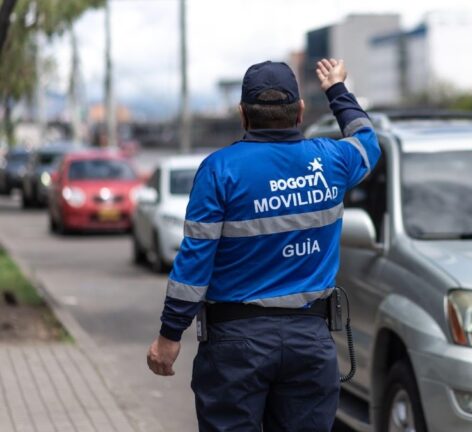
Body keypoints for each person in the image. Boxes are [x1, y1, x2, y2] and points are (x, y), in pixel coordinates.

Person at [146, 58, 380, 431]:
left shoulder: (219, 169)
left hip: (235, 348)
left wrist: (169, 335)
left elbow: (194, 263)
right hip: (310, 344)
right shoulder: (332, 160)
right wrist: (337, 89)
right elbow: (368, 141)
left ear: (243, 115)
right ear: (300, 111)